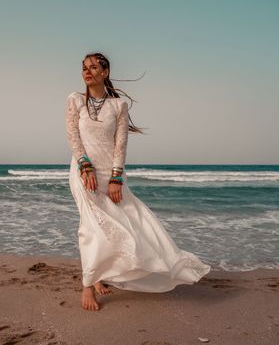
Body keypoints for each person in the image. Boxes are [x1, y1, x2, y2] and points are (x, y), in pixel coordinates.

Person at [65, 52, 211, 311]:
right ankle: (88, 285)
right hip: (82, 170)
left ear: (105, 72)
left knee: (128, 221)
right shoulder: (75, 100)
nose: (87, 71)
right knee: (91, 227)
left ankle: (99, 273)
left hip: (109, 173)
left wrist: (116, 178)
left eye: (94, 67)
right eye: (84, 68)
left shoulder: (118, 105)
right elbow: (73, 136)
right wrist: (84, 166)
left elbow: (120, 145)